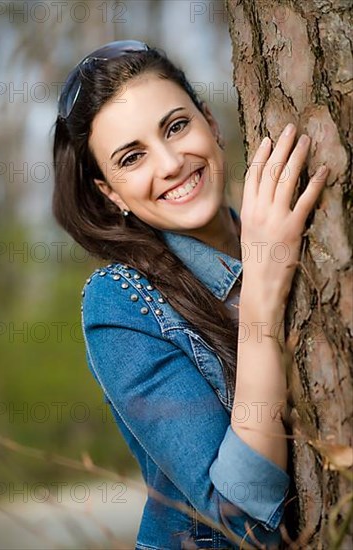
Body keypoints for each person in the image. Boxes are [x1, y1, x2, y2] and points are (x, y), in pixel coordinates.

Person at [52, 40, 328, 549]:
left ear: (211, 122)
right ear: (110, 192)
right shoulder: (120, 302)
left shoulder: (291, 239)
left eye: (176, 127)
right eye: (132, 158)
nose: (171, 162)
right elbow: (241, 518)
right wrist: (263, 295)